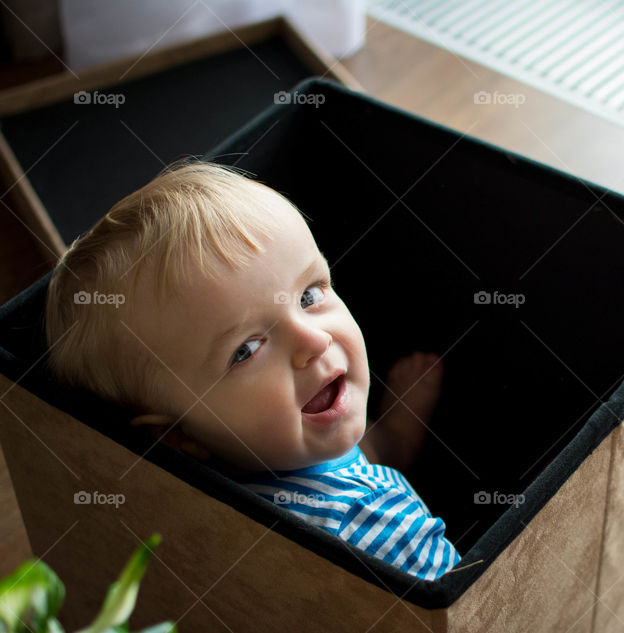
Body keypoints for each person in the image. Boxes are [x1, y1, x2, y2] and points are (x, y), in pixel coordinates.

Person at [44, 160, 461, 581]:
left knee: (330, 440)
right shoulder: (372, 518)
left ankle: (390, 440)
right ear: (181, 437)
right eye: (246, 350)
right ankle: (392, 448)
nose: (314, 342)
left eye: (308, 296)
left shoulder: (218, 477)